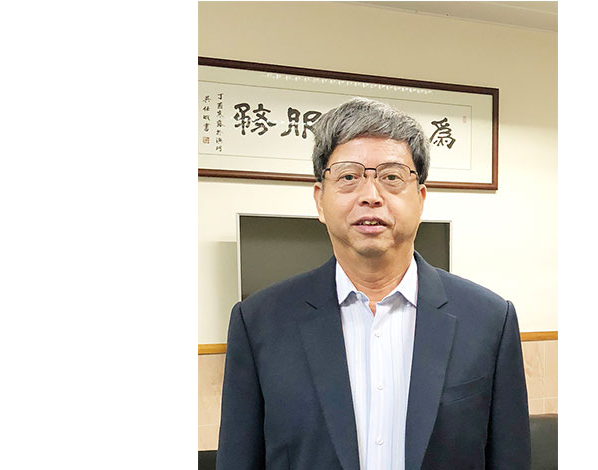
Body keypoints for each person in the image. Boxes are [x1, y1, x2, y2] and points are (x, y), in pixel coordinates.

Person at [216, 97, 530, 470]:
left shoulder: (490, 320)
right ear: (320, 199)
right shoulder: (259, 322)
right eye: (348, 177)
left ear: (421, 198)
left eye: (391, 177)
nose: (370, 196)